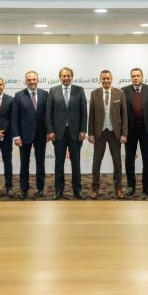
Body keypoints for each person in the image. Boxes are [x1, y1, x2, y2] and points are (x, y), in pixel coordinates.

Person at [46, 67, 87, 200]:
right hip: (59, 133)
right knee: (59, 163)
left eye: (68, 76)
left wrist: (83, 130)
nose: (66, 78)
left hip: (75, 133)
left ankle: (77, 189)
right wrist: (50, 131)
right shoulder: (53, 91)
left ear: (72, 77)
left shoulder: (79, 90)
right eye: (64, 76)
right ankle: (59, 189)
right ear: (60, 77)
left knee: (76, 163)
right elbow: (48, 113)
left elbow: (84, 112)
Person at [88, 70, 128, 199]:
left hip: (114, 133)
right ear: (100, 79)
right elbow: (91, 115)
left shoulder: (120, 93)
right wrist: (91, 133)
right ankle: (95, 188)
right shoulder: (94, 93)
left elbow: (124, 115)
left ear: (112, 79)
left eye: (108, 78)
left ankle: (118, 188)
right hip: (99, 133)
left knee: (117, 162)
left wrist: (124, 133)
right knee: (96, 162)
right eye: (103, 78)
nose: (106, 81)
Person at [121, 67, 148, 197]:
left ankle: (147, 186)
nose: (135, 78)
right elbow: (122, 113)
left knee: (147, 160)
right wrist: (123, 132)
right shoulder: (124, 90)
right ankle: (131, 185)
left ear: (142, 77)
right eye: (133, 76)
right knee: (129, 159)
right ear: (131, 78)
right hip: (130, 131)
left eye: (138, 75)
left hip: (146, 131)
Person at [11, 71, 48, 200]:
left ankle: (41, 188)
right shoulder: (18, 96)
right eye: (29, 80)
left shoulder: (45, 94)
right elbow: (14, 118)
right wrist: (16, 136)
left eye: (34, 79)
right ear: (25, 81)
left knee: (40, 163)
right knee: (24, 164)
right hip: (24, 136)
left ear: (38, 80)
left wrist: (49, 131)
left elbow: (48, 116)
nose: (32, 82)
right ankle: (24, 189)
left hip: (41, 135)